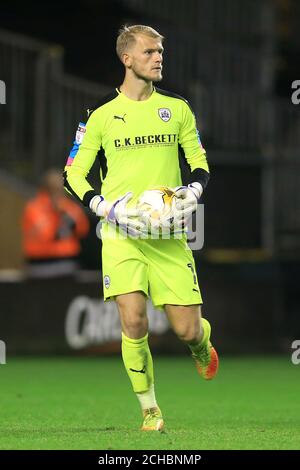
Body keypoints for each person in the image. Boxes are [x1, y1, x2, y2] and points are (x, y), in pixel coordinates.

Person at [63, 25, 219, 432]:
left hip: (167, 236)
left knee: (186, 329)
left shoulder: (178, 108)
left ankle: (201, 345)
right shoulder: (98, 115)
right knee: (133, 321)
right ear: (127, 58)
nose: (158, 57)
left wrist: (193, 192)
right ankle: (150, 410)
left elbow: (200, 163)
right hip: (120, 234)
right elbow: (73, 174)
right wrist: (103, 206)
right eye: (150, 52)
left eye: (160, 51)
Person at [22, 169, 89, 278]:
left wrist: (65, 214)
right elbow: (45, 235)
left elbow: (83, 229)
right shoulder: (34, 207)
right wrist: (56, 214)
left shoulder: (68, 206)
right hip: (40, 264)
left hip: (67, 262)